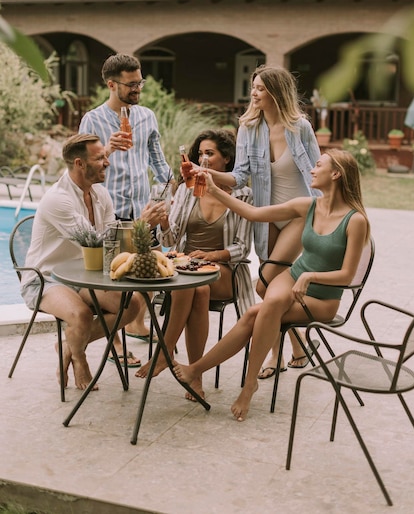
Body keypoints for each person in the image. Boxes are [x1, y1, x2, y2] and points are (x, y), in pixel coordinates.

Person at [173, 149, 370, 421]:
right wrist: (215, 189)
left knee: (258, 312)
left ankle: (240, 382)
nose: (312, 170)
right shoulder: (308, 205)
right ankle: (209, 373)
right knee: (270, 305)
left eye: (318, 165)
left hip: (322, 298)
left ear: (335, 174)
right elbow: (253, 214)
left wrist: (311, 277)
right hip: (292, 279)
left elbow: (347, 276)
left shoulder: (355, 220)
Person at [207, 65, 321, 377]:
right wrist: (205, 173)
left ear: (276, 91)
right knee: (271, 289)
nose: (254, 93)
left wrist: (325, 217)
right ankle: (294, 347)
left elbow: (317, 175)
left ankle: (275, 355)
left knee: (266, 281)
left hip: (299, 213)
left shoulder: (300, 128)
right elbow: (239, 176)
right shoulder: (249, 128)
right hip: (266, 215)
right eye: (253, 87)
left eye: (260, 88)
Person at [21, 133, 152, 391]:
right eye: (100, 157)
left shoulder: (100, 194)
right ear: (80, 163)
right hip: (45, 279)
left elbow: (111, 244)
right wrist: (142, 225)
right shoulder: (58, 199)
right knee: (80, 315)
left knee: (132, 303)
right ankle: (79, 359)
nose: (107, 162)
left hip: (85, 276)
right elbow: (94, 242)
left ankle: (69, 345)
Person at [136, 129, 254, 401]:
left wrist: (214, 256)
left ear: (227, 159)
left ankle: (164, 352)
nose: (203, 159)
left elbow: (243, 247)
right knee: (196, 289)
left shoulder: (244, 194)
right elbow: (170, 239)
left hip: (224, 270)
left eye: (210, 153)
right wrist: (164, 221)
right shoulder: (189, 190)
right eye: (200, 153)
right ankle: (195, 376)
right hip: (187, 267)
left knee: (196, 283)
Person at [79, 53, 174, 344]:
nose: (137, 88)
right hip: (111, 212)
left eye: (139, 82)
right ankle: (116, 344)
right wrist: (106, 149)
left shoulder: (147, 117)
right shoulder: (92, 120)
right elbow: (81, 169)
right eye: (130, 84)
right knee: (114, 282)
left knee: (149, 273)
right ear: (111, 84)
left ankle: (137, 323)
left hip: (143, 211)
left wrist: (173, 187)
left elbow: (158, 163)